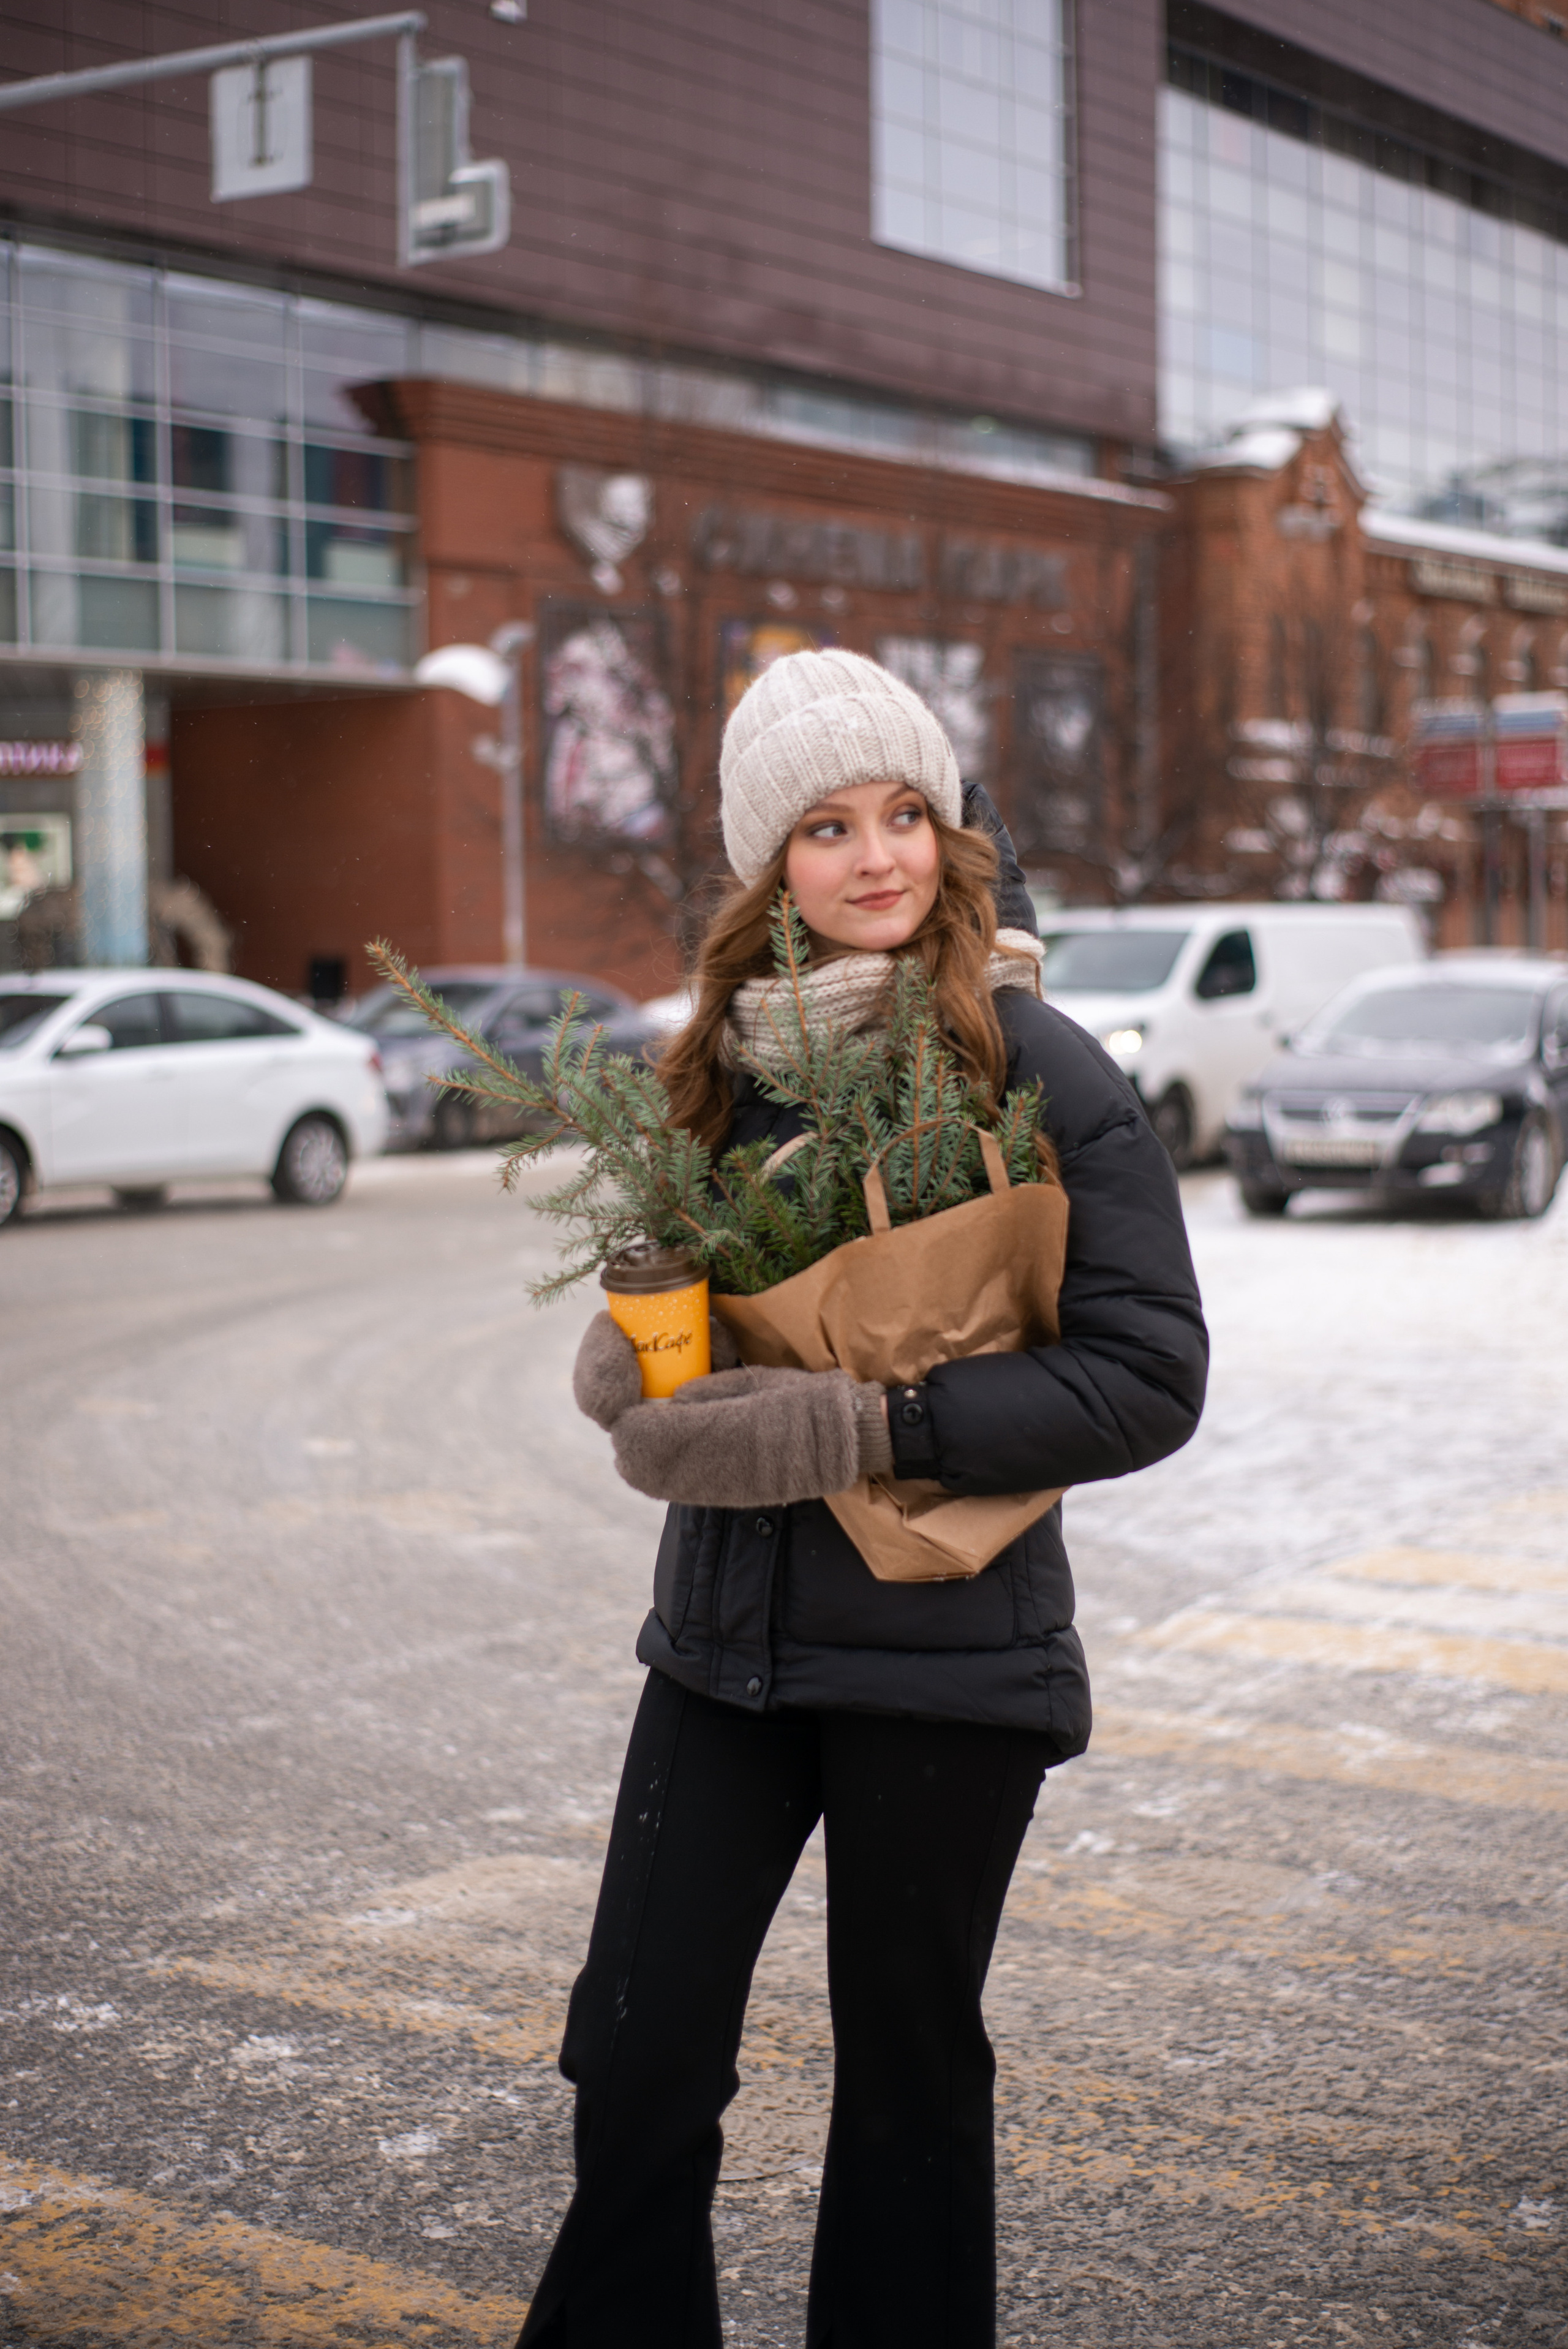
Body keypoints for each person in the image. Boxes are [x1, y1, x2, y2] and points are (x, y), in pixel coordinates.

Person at [515, 650, 1208, 2349]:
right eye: (827, 827)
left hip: (947, 1655)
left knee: (905, 2080)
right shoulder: (719, 1074)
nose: (878, 854)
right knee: (639, 2043)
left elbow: (1149, 1371)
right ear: (772, 869)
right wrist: (639, 1366)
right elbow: (686, 1315)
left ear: (953, 832)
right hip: (722, 1645)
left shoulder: (1033, 1065)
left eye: (907, 811)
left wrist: (868, 1421)